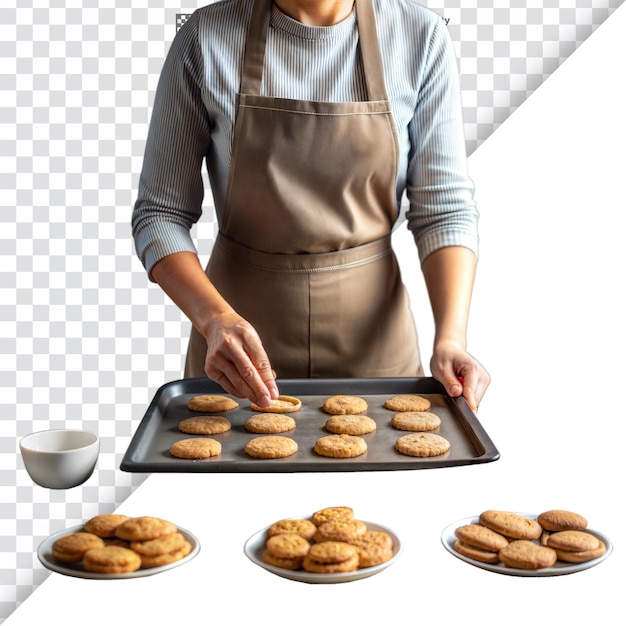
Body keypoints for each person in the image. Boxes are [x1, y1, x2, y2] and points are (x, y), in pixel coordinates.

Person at [132, 0, 490, 411]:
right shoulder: (204, 38)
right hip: (234, 359)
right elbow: (160, 214)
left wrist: (451, 338)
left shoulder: (421, 37)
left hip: (378, 357)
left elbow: (444, 209)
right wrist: (213, 319)